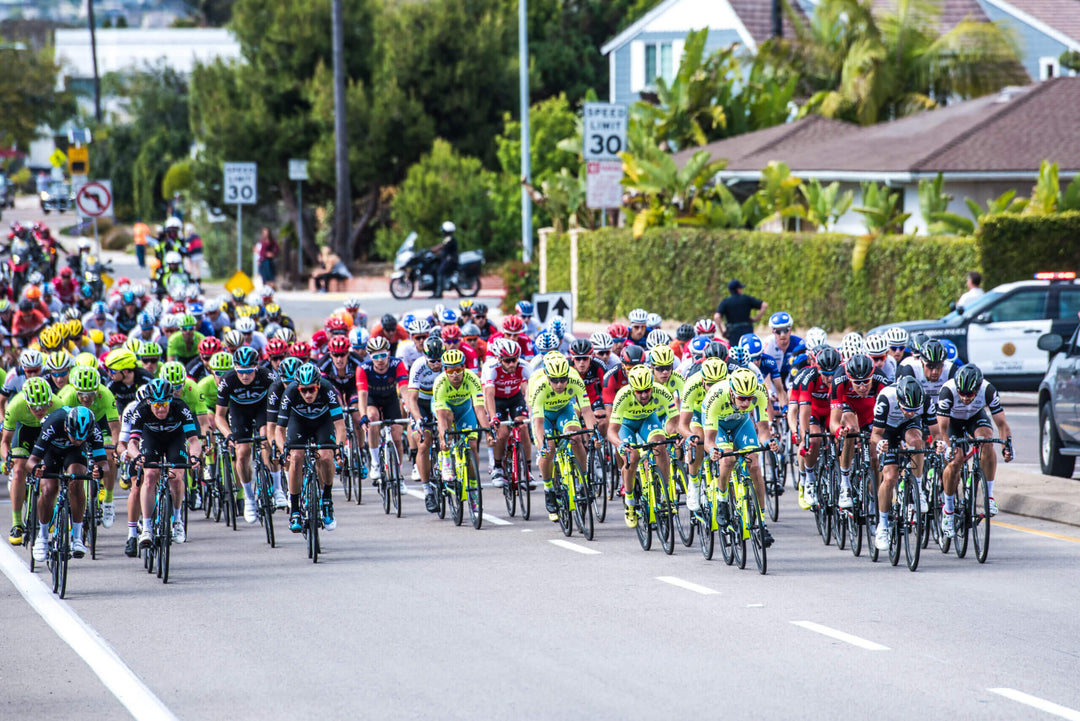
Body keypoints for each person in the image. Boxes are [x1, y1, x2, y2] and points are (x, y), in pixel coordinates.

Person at [714, 279, 767, 347]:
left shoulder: (725, 302)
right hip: (747, 330)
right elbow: (764, 305)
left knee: (735, 353)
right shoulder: (746, 299)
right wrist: (756, 318)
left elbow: (717, 317)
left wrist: (722, 332)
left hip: (733, 333)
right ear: (738, 289)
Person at [431, 221, 458, 299]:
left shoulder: (450, 239)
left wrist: (433, 249)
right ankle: (436, 289)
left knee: (440, 271)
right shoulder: (448, 239)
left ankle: (439, 292)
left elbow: (442, 246)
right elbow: (444, 249)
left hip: (450, 260)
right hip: (447, 259)